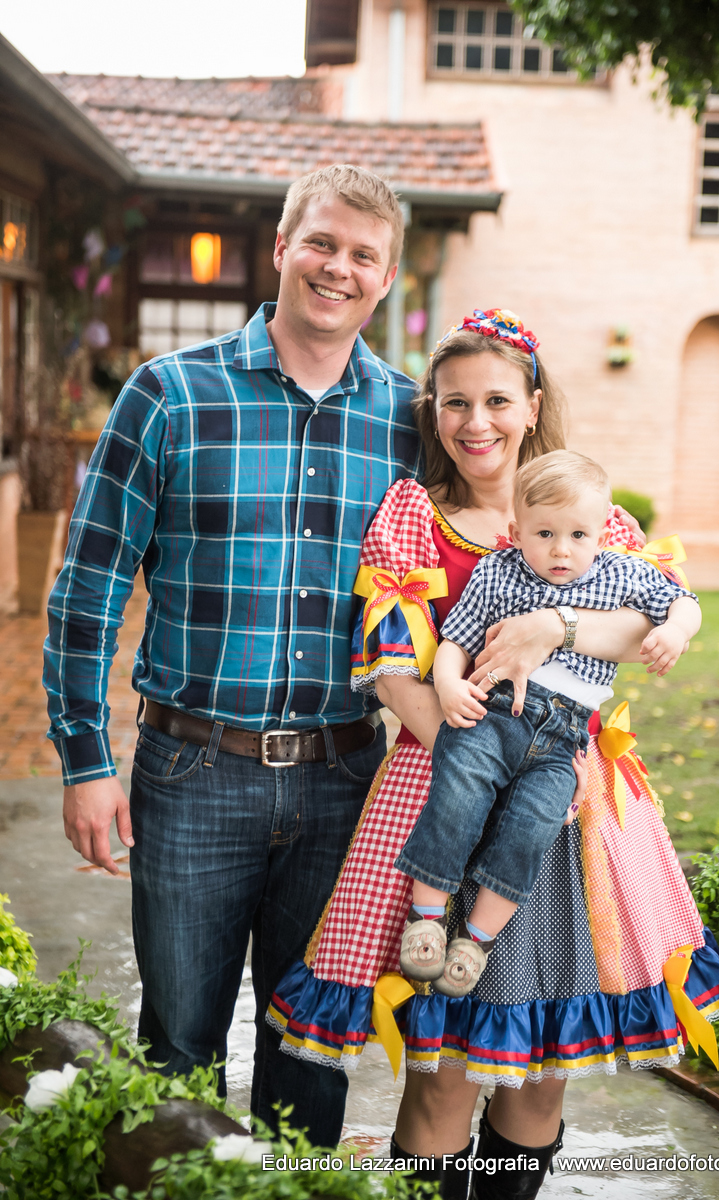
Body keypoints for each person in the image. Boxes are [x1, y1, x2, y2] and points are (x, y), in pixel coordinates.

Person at [268, 309, 719, 1196]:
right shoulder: (416, 515)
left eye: (495, 400)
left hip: (575, 808)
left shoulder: (587, 513)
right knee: (440, 1077)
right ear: (433, 414)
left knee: (537, 1079)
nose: (474, 422)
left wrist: (550, 624)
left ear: (531, 404)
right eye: (454, 403)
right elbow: (394, 672)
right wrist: (485, 745)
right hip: (450, 782)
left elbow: (651, 620)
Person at [42, 164, 424, 1147]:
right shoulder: (168, 395)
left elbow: (529, 533)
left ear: (387, 281)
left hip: (347, 779)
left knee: (312, 1058)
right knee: (176, 1057)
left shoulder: (413, 422)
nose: (338, 269)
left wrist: (649, 599)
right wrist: (86, 764)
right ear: (283, 247)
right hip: (192, 770)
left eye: (362, 256)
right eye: (323, 244)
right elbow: (89, 588)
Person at [396, 448, 701, 997]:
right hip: (492, 718)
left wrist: (675, 631)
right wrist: (447, 684)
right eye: (544, 534)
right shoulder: (496, 572)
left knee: (533, 828)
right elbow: (455, 641)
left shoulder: (623, 574)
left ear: (603, 529)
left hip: (565, 739)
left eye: (578, 536)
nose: (561, 550)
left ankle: (476, 941)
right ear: (515, 530)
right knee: (456, 796)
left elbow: (684, 601)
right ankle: (425, 919)